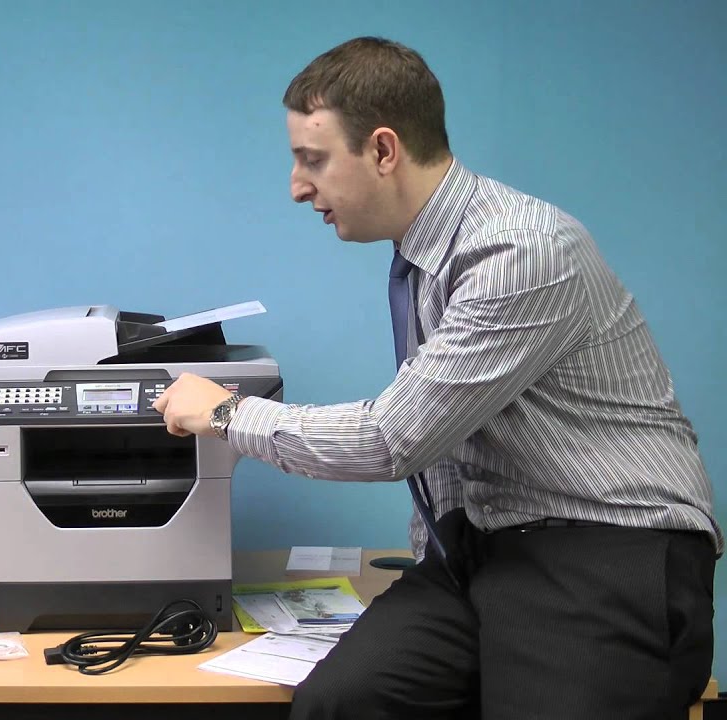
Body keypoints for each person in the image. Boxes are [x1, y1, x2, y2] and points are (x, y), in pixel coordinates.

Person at [152, 36, 720, 719]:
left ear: (383, 151)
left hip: (607, 543)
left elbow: (395, 438)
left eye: (313, 159)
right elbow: (456, 435)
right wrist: (434, 558)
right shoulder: (425, 256)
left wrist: (226, 413)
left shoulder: (519, 252)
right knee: (339, 704)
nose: (297, 187)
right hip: (485, 547)